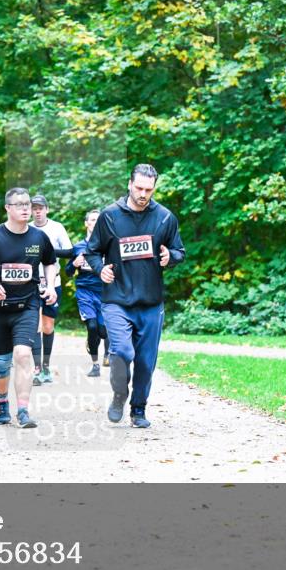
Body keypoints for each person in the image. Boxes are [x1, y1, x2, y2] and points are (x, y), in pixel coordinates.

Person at [86, 164, 185, 428]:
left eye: (148, 190)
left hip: (151, 303)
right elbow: (92, 251)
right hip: (117, 299)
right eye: (139, 188)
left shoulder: (165, 217)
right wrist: (100, 269)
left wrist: (169, 257)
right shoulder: (110, 216)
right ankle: (119, 394)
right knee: (122, 351)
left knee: (144, 362)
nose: (143, 194)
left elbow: (179, 251)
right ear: (130, 184)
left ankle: (138, 410)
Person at [0, 188, 58, 428]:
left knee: (23, 354)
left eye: (27, 204)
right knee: (1, 363)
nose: (25, 208)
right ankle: (2, 400)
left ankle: (23, 410)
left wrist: (50, 286)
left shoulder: (39, 238)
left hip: (28, 305)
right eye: (19, 204)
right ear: (7, 208)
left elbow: (51, 263)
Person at [29, 194, 72, 386]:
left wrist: (48, 253)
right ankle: (37, 368)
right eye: (34, 208)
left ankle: (46, 366)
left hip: (52, 283)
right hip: (31, 284)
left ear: (47, 209)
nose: (37, 211)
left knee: (47, 326)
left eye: (40, 208)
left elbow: (70, 251)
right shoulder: (26, 228)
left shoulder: (56, 228)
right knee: (34, 326)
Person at [65, 209, 109, 377]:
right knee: (92, 327)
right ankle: (95, 364)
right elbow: (68, 271)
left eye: (98, 220)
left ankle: (104, 350)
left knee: (103, 331)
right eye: (92, 219)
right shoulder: (78, 247)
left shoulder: (107, 246)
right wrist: (74, 264)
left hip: (104, 291)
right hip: (85, 291)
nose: (95, 222)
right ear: (86, 223)